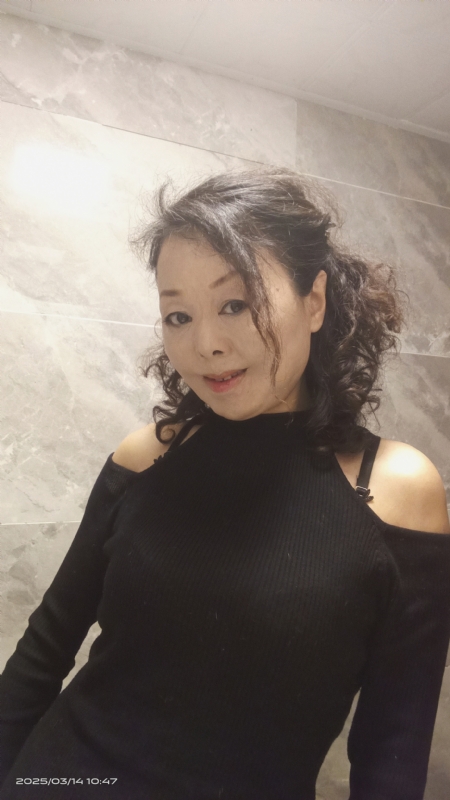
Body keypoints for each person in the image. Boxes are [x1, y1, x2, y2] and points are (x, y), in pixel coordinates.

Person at [1, 166, 449, 800]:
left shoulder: (398, 490)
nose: (205, 343)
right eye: (178, 315)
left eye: (235, 303)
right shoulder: (147, 457)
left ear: (314, 301)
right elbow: (42, 654)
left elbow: (391, 751)